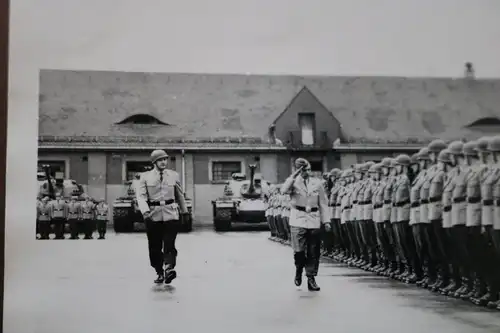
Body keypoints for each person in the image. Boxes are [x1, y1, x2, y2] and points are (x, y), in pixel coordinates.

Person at [136, 149, 188, 285]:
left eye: (165, 159)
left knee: (169, 243)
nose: (164, 162)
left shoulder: (173, 175)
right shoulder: (145, 177)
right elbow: (141, 197)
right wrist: (145, 213)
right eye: (160, 160)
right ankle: (159, 271)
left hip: (171, 214)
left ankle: (169, 268)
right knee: (154, 246)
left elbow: (179, 195)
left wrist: (185, 212)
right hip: (153, 215)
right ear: (154, 162)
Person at [281, 158, 331, 291]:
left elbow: (323, 203)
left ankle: (311, 278)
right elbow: (283, 190)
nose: (307, 172)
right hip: (298, 218)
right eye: (304, 170)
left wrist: (326, 221)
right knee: (299, 251)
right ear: (298, 170)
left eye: (309, 169)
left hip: (314, 219)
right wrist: (293, 176)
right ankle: (299, 269)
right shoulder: (293, 182)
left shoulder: (317, 183)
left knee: (313, 251)